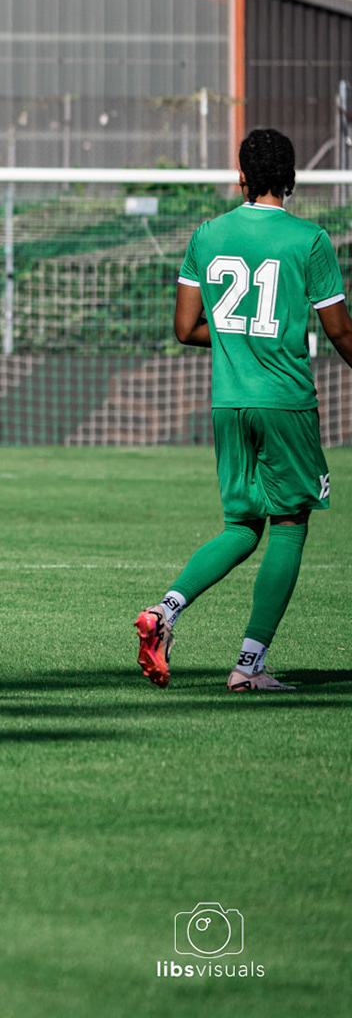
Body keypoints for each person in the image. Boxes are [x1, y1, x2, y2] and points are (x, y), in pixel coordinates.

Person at [136, 128, 352, 692]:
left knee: (241, 526)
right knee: (290, 524)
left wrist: (240, 340)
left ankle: (163, 611)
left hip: (229, 402)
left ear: (241, 177)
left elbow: (185, 328)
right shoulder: (310, 240)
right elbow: (341, 332)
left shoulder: (207, 235)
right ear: (292, 179)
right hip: (284, 402)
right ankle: (248, 667)